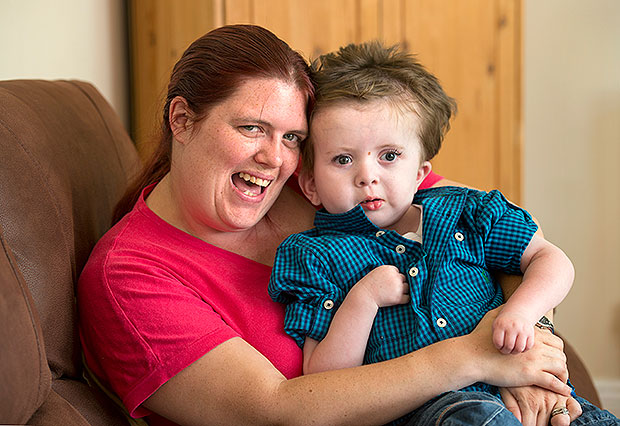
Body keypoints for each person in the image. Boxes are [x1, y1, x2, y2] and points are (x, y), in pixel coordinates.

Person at [78, 24, 582, 426]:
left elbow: (491, 235)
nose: (274, 159)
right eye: (251, 127)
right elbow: (274, 410)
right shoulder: (129, 275)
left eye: (293, 137)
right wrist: (475, 359)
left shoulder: (326, 178)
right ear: (183, 120)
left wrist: (530, 349)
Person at [268, 41, 620, 425]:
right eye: (343, 159)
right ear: (310, 185)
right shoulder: (314, 256)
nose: (367, 174)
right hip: (435, 411)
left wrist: (522, 312)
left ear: (420, 173)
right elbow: (326, 381)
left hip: (536, 396)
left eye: (389, 156)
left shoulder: (465, 212)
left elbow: (551, 260)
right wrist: (363, 301)